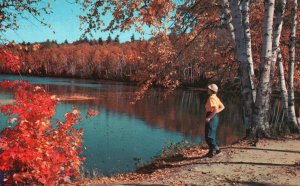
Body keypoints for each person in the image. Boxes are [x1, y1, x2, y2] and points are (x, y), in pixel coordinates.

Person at [204, 84, 225, 158]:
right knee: (210, 135)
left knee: (209, 136)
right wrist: (215, 113)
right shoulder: (215, 97)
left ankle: (218, 151)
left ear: (211, 90)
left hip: (211, 116)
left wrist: (209, 117)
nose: (207, 89)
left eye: (208, 89)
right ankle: (211, 152)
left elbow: (215, 109)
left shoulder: (211, 98)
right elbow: (222, 107)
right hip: (214, 116)